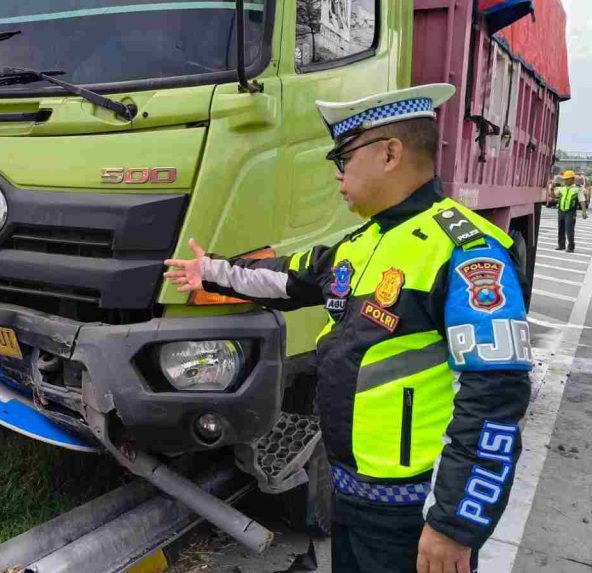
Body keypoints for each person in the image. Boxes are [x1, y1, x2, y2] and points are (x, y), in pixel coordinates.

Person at [164, 84, 532, 573]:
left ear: (390, 154)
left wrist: (455, 524)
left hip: (415, 516)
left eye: (343, 155)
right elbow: (290, 276)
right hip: (349, 495)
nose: (336, 172)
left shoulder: (467, 252)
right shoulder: (363, 243)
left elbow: (495, 397)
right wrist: (210, 271)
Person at [554, 170, 587, 252]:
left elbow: (582, 200)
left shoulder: (577, 189)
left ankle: (571, 247)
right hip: (561, 211)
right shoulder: (562, 188)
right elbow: (555, 194)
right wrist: (555, 187)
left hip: (570, 212)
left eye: (567, 179)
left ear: (572, 179)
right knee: (560, 229)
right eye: (564, 179)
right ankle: (561, 245)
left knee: (569, 230)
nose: (565, 180)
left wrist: (584, 212)